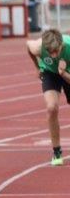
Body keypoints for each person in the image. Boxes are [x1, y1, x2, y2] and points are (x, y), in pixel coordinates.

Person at [26, 28, 70, 165]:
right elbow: (28, 45)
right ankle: (57, 152)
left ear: (62, 45)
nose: (53, 55)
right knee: (51, 108)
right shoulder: (38, 47)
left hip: (67, 72)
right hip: (50, 73)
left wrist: (63, 73)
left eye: (56, 51)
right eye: (50, 52)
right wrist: (37, 67)